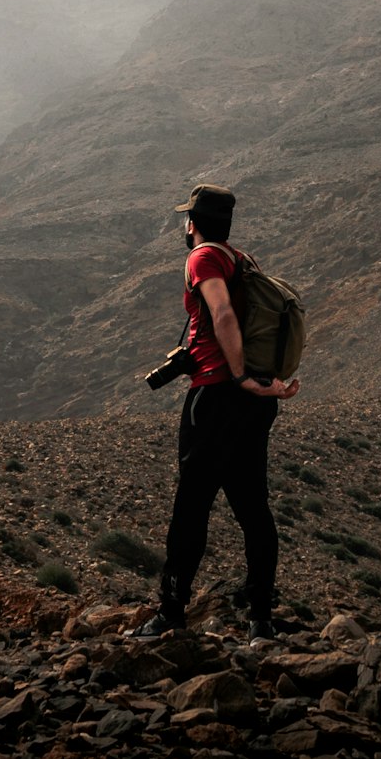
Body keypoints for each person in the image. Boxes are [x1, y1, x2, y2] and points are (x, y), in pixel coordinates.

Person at [130, 183, 300, 645]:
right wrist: (257, 386)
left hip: (217, 397)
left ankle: (170, 613)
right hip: (254, 405)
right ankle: (260, 620)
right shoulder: (243, 259)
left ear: (194, 223)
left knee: (191, 508)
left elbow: (223, 315)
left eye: (187, 218)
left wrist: (240, 375)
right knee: (253, 510)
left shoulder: (203, 257)